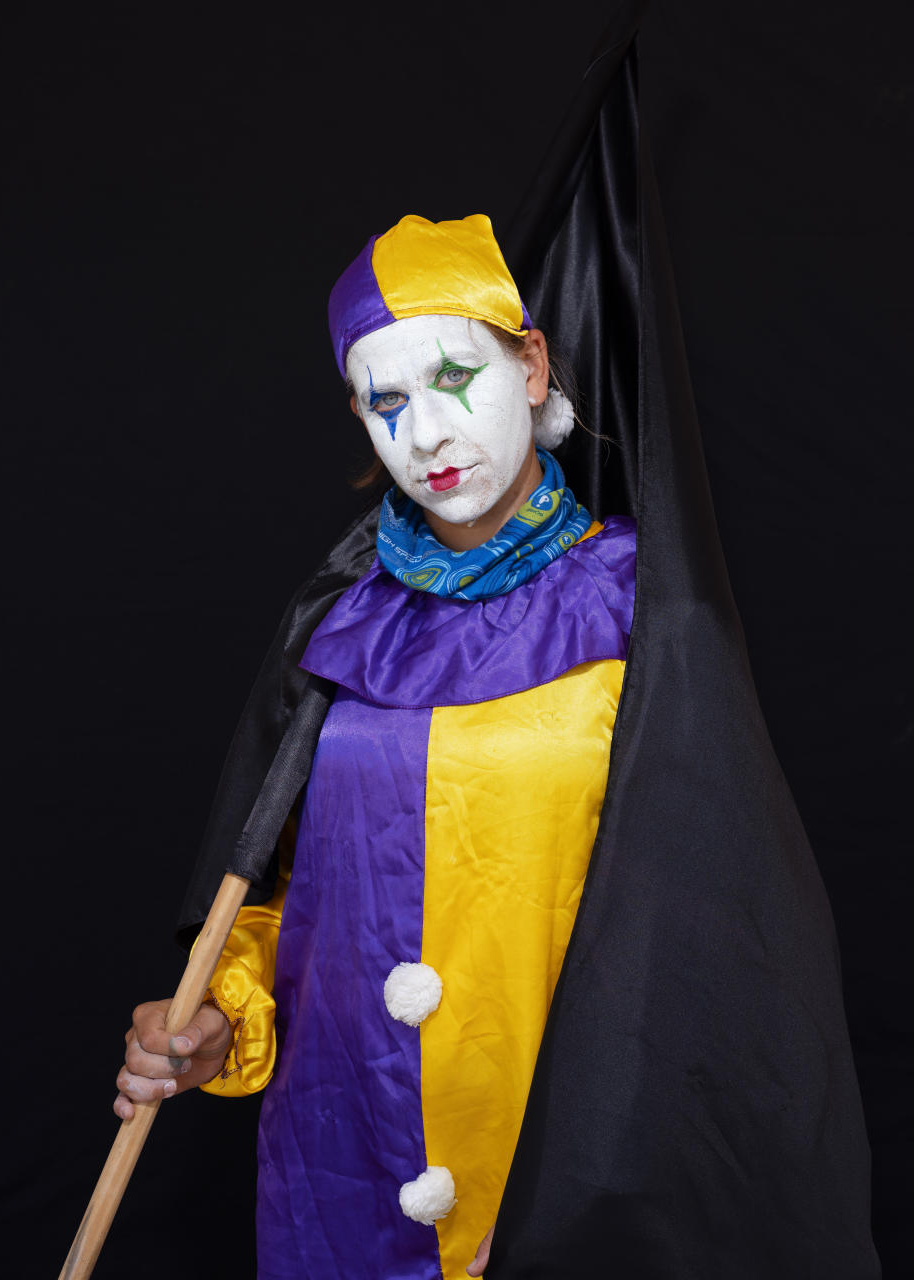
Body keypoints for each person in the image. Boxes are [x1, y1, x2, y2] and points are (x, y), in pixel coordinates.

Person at [114, 213, 637, 1279]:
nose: (432, 433)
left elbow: (699, 929)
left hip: (557, 1173)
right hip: (343, 1156)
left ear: (531, 365)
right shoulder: (338, 620)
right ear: (358, 413)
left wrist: (580, 1182)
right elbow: (283, 887)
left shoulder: (642, 608)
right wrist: (221, 1013)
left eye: (456, 377)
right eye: (390, 401)